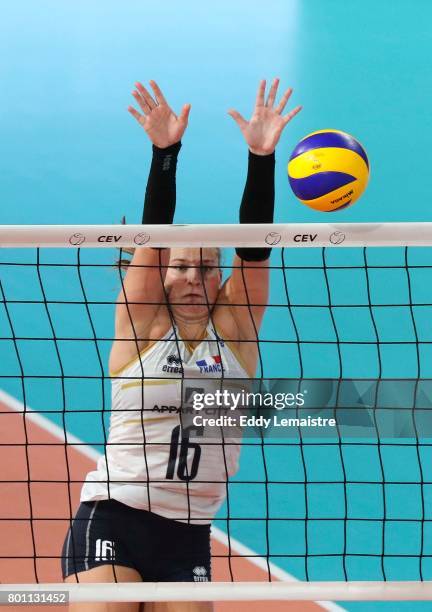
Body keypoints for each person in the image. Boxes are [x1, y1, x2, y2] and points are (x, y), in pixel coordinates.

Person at [62, 78, 301, 612]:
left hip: (189, 533)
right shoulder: (141, 325)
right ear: (162, 275)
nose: (195, 277)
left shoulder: (236, 334)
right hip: (116, 514)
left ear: (220, 278)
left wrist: (261, 158)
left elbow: (255, 253)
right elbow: (150, 237)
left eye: (208, 267)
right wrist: (165, 152)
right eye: (183, 267)